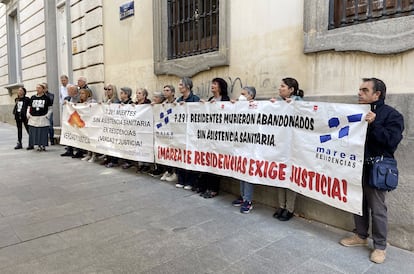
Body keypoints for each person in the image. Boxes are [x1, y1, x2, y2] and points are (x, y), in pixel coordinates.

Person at [340, 78, 404, 264]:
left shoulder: (393, 115)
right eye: (359, 89)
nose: (359, 93)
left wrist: (374, 124)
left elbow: (391, 141)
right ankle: (360, 235)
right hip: (356, 166)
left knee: (377, 209)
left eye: (364, 90)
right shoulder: (355, 112)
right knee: (357, 203)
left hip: (377, 168)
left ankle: (380, 246)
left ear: (377, 94)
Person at [272, 77, 304, 221]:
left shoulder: (301, 103)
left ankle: (290, 208)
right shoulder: (279, 104)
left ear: (291, 90)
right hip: (280, 146)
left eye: (283, 86)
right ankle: (281, 206)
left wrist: (294, 106)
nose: (280, 88)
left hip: (294, 148)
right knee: (280, 176)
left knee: (291, 178)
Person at [198, 78, 230, 198]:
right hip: (209, 137)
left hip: (220, 137)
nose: (212, 86)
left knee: (216, 164)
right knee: (208, 162)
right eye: (212, 83)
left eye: (215, 84)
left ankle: (214, 189)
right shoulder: (211, 100)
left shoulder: (225, 100)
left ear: (221, 87)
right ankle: (206, 187)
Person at [231, 86, 256, 213]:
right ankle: (243, 196)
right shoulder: (239, 107)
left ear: (250, 96)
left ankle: (248, 200)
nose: (241, 96)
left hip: (251, 147)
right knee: (241, 172)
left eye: (243, 94)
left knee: (248, 174)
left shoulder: (257, 107)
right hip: (241, 146)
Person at [175, 77, 200, 190]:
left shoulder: (195, 99)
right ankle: (181, 179)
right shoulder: (178, 100)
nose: (179, 87)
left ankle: (190, 181)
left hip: (192, 133)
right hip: (181, 132)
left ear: (188, 86)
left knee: (191, 156)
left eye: (181, 85)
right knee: (180, 155)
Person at [159, 85, 178, 182]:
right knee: (166, 150)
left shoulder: (177, 102)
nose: (165, 92)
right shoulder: (163, 104)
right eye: (164, 90)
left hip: (176, 131)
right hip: (167, 130)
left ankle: (175, 172)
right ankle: (168, 170)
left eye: (167, 90)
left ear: (173, 93)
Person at [27, 83, 52, 151]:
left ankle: (43, 145)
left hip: (43, 117)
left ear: (43, 89)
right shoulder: (33, 97)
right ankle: (37, 145)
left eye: (39, 88)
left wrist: (47, 116)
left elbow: (50, 108)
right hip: (33, 118)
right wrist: (28, 114)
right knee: (35, 132)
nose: (37, 89)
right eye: (37, 88)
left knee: (43, 132)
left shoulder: (47, 98)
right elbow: (29, 107)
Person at [61, 85, 80, 157]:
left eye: (69, 91)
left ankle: (79, 151)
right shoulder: (68, 98)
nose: (67, 92)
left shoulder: (78, 97)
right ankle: (69, 150)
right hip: (70, 119)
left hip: (77, 119)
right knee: (69, 134)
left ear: (74, 91)